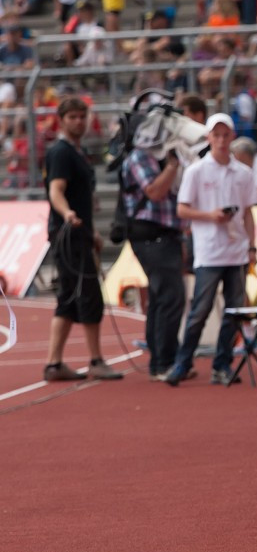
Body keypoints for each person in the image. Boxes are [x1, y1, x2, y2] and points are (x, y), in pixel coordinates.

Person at [166, 114, 257, 386]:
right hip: (209, 250)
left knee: (233, 311)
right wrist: (211, 216)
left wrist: (252, 247)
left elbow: (248, 214)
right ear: (209, 138)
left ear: (231, 137)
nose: (220, 140)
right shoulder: (196, 171)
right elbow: (182, 209)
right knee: (200, 310)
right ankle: (183, 363)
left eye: (225, 135)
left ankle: (222, 364)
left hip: (237, 250)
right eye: (215, 135)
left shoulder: (243, 173)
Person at [43, 96, 123, 382]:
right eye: (73, 117)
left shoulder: (79, 152)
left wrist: (92, 233)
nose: (79, 121)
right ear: (61, 120)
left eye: (82, 116)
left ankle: (54, 364)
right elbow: (56, 190)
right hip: (69, 234)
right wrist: (67, 214)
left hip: (80, 233)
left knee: (68, 297)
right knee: (89, 295)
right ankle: (96, 360)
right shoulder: (62, 153)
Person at [121, 121, 187, 381]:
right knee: (171, 297)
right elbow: (155, 191)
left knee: (162, 298)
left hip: (166, 235)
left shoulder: (159, 157)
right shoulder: (140, 157)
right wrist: (172, 166)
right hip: (150, 235)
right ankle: (165, 362)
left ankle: (161, 360)